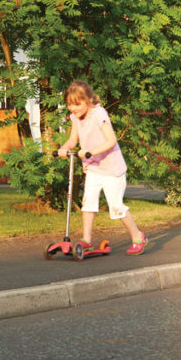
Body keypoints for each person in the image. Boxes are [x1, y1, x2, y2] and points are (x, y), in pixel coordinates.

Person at [57, 81, 147, 255]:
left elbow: (111, 140)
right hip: (93, 168)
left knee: (116, 207)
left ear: (89, 100)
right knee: (88, 203)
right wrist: (65, 148)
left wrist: (92, 151)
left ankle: (137, 236)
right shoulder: (75, 118)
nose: (73, 108)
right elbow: (72, 140)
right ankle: (87, 240)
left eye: (77, 104)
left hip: (111, 169)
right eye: (69, 104)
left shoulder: (99, 114)